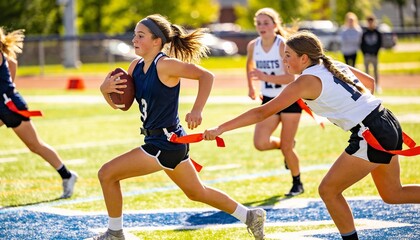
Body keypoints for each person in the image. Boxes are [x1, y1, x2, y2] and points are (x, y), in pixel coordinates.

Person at [203, 31, 420, 240]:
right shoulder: (330, 64)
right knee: (393, 193)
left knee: (328, 190)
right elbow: (369, 83)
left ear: (304, 58)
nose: (283, 59)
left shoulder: (305, 81)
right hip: (385, 120)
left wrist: (221, 128)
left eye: (288, 55)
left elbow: (262, 112)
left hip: (371, 132)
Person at [94, 14, 266, 240]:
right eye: (134, 34)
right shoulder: (135, 66)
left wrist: (197, 109)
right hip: (164, 141)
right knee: (197, 192)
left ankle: (115, 233)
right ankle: (251, 216)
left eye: (141, 35)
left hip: (165, 143)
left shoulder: (165, 65)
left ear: (157, 41)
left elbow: (206, 76)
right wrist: (104, 91)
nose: (134, 39)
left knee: (107, 174)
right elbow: (122, 106)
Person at [0, 27, 78, 199]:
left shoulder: (5, 58)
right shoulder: (7, 59)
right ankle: (67, 175)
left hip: (10, 107)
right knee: (35, 145)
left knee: (35, 145)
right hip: (5, 105)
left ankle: (67, 175)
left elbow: (9, 85)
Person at [245, 8, 303, 196]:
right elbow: (249, 65)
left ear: (275, 25)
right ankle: (287, 145)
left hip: (289, 99)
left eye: (266, 23)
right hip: (269, 99)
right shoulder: (253, 45)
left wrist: (263, 76)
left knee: (286, 148)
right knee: (260, 143)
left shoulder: (282, 45)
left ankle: (297, 182)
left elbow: (291, 78)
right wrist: (251, 87)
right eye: (259, 23)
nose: (262, 26)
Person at [361, 15, 382, 93]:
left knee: (376, 70)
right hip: (367, 55)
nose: (370, 23)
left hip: (374, 55)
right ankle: (367, 86)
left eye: (371, 22)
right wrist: (364, 53)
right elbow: (362, 44)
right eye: (369, 22)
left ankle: (377, 86)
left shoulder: (377, 32)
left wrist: (376, 52)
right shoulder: (365, 33)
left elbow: (379, 43)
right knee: (366, 71)